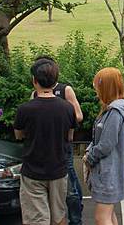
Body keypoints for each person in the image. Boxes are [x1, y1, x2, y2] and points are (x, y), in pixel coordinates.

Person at [14, 58, 77, 225]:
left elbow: (19, 135)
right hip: (58, 168)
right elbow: (70, 136)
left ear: (34, 80)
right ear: (56, 81)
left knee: (36, 218)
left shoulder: (25, 109)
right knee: (59, 216)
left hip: (32, 170)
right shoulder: (67, 108)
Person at [30, 56, 85, 225]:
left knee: (70, 187)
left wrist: (58, 117)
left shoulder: (64, 90)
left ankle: (76, 220)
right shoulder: (34, 94)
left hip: (62, 144)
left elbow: (79, 116)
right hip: (41, 147)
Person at [83, 68, 124, 225]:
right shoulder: (114, 110)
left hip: (107, 173)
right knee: (109, 215)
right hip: (109, 172)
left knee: (102, 218)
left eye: (97, 87)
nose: (96, 91)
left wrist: (89, 157)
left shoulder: (114, 113)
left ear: (106, 88)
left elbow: (106, 144)